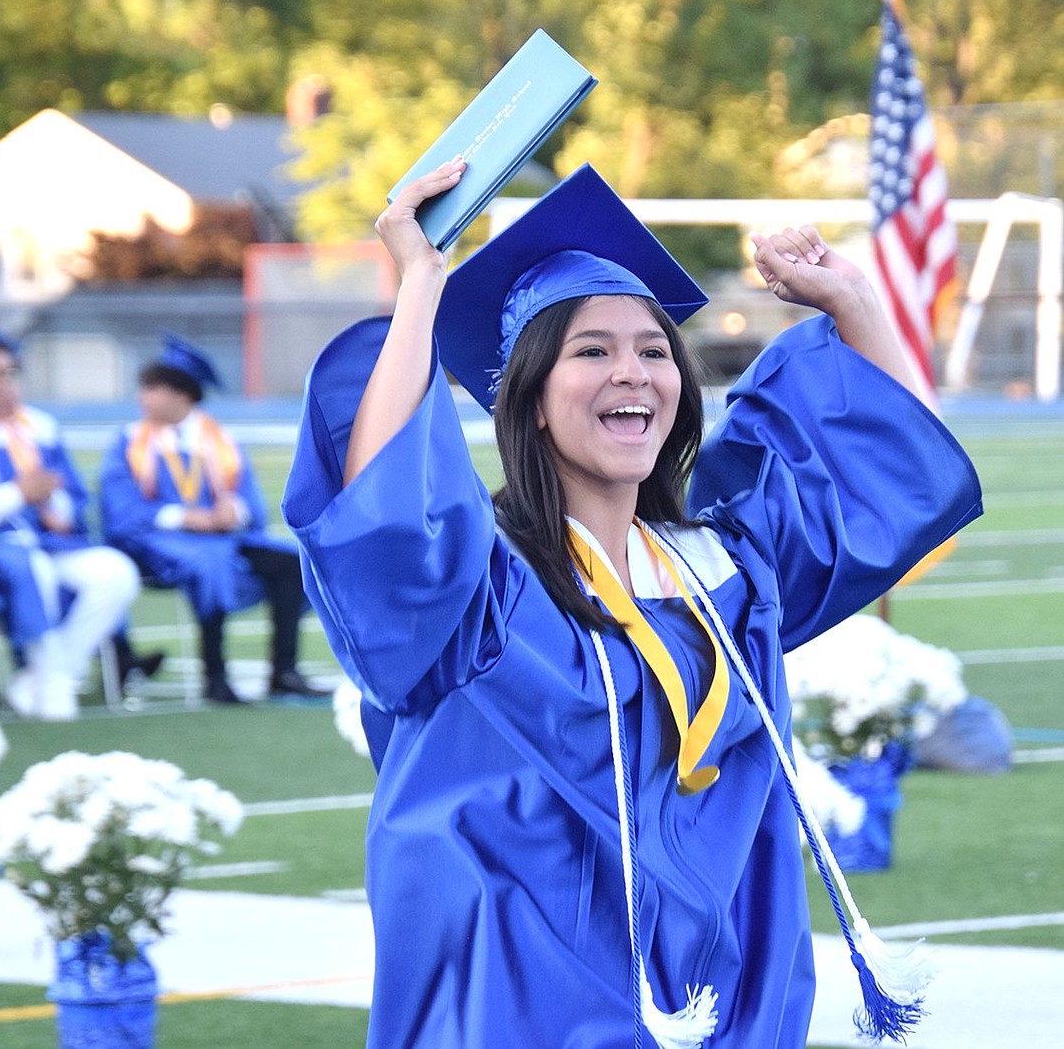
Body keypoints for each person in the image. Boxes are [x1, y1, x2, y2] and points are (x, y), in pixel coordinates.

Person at [282, 161, 983, 1048]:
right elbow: (382, 519)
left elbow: (883, 467)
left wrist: (853, 304)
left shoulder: (723, 579)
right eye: (592, 351)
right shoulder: (485, 598)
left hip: (715, 992)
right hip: (522, 997)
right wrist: (421, 282)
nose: (635, 372)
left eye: (655, 351)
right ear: (528, 400)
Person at [99, 332, 325, 705]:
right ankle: (215, 677)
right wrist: (187, 518)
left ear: (182, 395)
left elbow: (249, 502)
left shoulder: (218, 441)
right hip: (154, 540)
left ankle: (283, 671)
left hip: (221, 537)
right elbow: (120, 508)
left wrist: (232, 511)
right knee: (210, 565)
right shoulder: (130, 442)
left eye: (153, 388)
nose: (143, 397)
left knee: (290, 563)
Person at [0, 321, 152, 720]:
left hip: (47, 541)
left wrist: (50, 498)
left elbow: (73, 501)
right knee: (33, 569)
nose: (3, 383)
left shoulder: (36, 430)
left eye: (10, 373)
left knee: (115, 572)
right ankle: (53, 684)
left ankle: (51, 675)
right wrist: (16, 495)